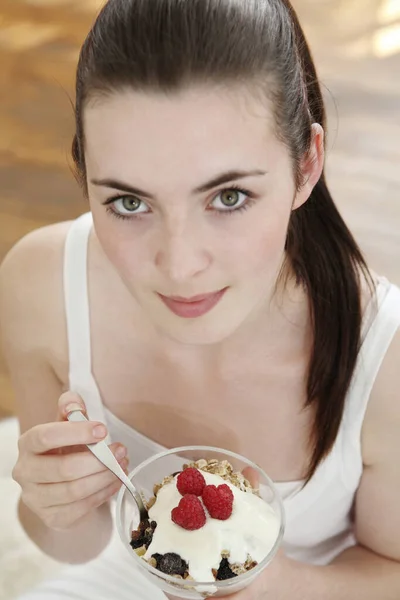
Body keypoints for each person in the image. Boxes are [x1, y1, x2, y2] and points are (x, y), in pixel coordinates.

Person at [1, 0, 400, 598]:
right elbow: (73, 546)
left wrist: (268, 583)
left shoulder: (387, 362)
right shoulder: (40, 285)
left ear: (307, 165)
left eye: (230, 197)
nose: (180, 265)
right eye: (130, 203)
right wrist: (54, 502)